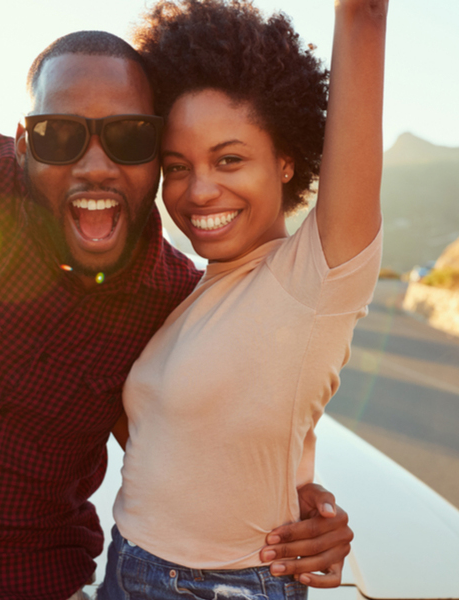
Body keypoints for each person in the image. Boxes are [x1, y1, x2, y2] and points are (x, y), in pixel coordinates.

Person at [0, 28, 352, 600]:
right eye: (60, 135)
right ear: (25, 142)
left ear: (158, 156)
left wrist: (306, 507)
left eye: (128, 137)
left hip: (33, 582)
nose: (96, 166)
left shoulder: (175, 300)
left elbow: (194, 439)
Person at [98, 0, 387, 598]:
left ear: (286, 161)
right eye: (177, 167)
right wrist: (297, 485)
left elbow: (365, 18)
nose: (199, 190)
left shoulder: (316, 275)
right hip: (127, 564)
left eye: (229, 159)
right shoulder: (187, 291)